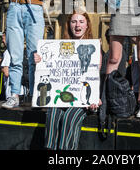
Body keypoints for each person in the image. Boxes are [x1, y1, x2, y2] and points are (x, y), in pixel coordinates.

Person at [0, 0, 52, 109]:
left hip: (35, 7)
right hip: (15, 6)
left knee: (34, 55)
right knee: (15, 55)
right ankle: (14, 94)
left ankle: (34, 94)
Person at [34, 12, 101, 150]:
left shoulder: (94, 49)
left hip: (82, 102)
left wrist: (95, 97)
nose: (77, 25)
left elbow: (95, 77)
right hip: (61, 98)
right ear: (69, 25)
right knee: (52, 115)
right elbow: (50, 71)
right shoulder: (59, 47)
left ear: (87, 25)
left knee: (69, 118)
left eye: (81, 22)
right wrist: (40, 61)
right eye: (74, 22)